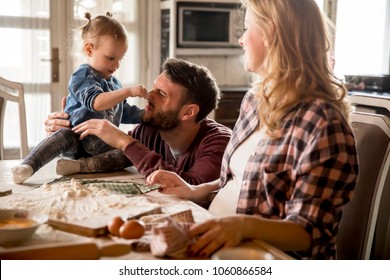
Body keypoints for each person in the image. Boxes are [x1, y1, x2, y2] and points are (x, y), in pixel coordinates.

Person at [145, 0, 359, 260]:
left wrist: (240, 226)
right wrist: (194, 191)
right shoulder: (256, 99)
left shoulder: (323, 123)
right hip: (220, 244)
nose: (241, 40)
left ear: (272, 33)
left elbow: (310, 233)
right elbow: (241, 181)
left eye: (247, 28)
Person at [44, 58, 232, 185]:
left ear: (188, 112)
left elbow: (191, 187)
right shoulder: (150, 130)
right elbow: (105, 158)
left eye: (162, 94)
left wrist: (125, 142)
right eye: (154, 88)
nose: (149, 95)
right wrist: (68, 133)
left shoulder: (219, 144)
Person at [12, 12, 147, 184]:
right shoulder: (82, 75)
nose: (117, 65)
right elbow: (96, 102)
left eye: (120, 59)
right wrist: (129, 91)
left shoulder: (115, 84)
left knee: (129, 151)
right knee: (62, 135)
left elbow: (123, 110)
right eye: (111, 58)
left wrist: (144, 115)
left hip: (102, 146)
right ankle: (29, 165)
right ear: (89, 49)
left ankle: (79, 167)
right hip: (77, 140)